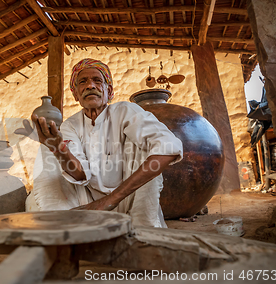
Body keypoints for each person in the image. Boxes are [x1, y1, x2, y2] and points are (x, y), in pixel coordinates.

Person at [31, 58, 183, 227]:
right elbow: (80, 173)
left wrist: (111, 200)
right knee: (48, 150)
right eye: (83, 82)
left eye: (97, 80)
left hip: (130, 200)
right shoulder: (70, 125)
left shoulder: (126, 110)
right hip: (85, 203)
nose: (90, 85)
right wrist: (59, 149)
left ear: (108, 90)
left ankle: (143, 230)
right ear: (75, 94)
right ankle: (63, 227)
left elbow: (169, 146)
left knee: (147, 145)